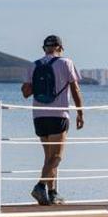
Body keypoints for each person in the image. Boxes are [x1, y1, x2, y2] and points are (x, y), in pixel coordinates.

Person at [21, 34, 84, 205]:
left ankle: (52, 193)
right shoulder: (66, 63)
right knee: (56, 157)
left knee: (48, 156)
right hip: (58, 115)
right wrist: (80, 113)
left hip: (39, 116)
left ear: (44, 48)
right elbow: (75, 89)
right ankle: (40, 186)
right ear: (60, 47)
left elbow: (25, 92)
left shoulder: (34, 65)